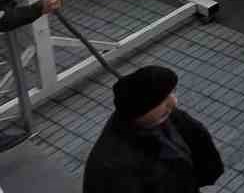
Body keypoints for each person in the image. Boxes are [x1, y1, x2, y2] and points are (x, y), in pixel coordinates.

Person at [83, 64, 225, 193]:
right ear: (141, 109)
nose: (174, 102)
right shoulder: (111, 166)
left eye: (172, 93)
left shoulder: (169, 117)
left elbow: (199, 145)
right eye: (162, 100)